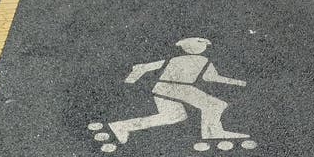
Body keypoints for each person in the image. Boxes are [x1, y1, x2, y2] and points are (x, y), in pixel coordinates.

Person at [107, 38, 249, 145]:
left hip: (163, 88)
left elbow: (144, 67)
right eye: (203, 45)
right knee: (215, 104)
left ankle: (122, 126)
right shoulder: (203, 59)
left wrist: (132, 78)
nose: (205, 46)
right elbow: (211, 77)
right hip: (178, 88)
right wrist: (237, 82)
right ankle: (211, 131)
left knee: (173, 116)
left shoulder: (176, 59)